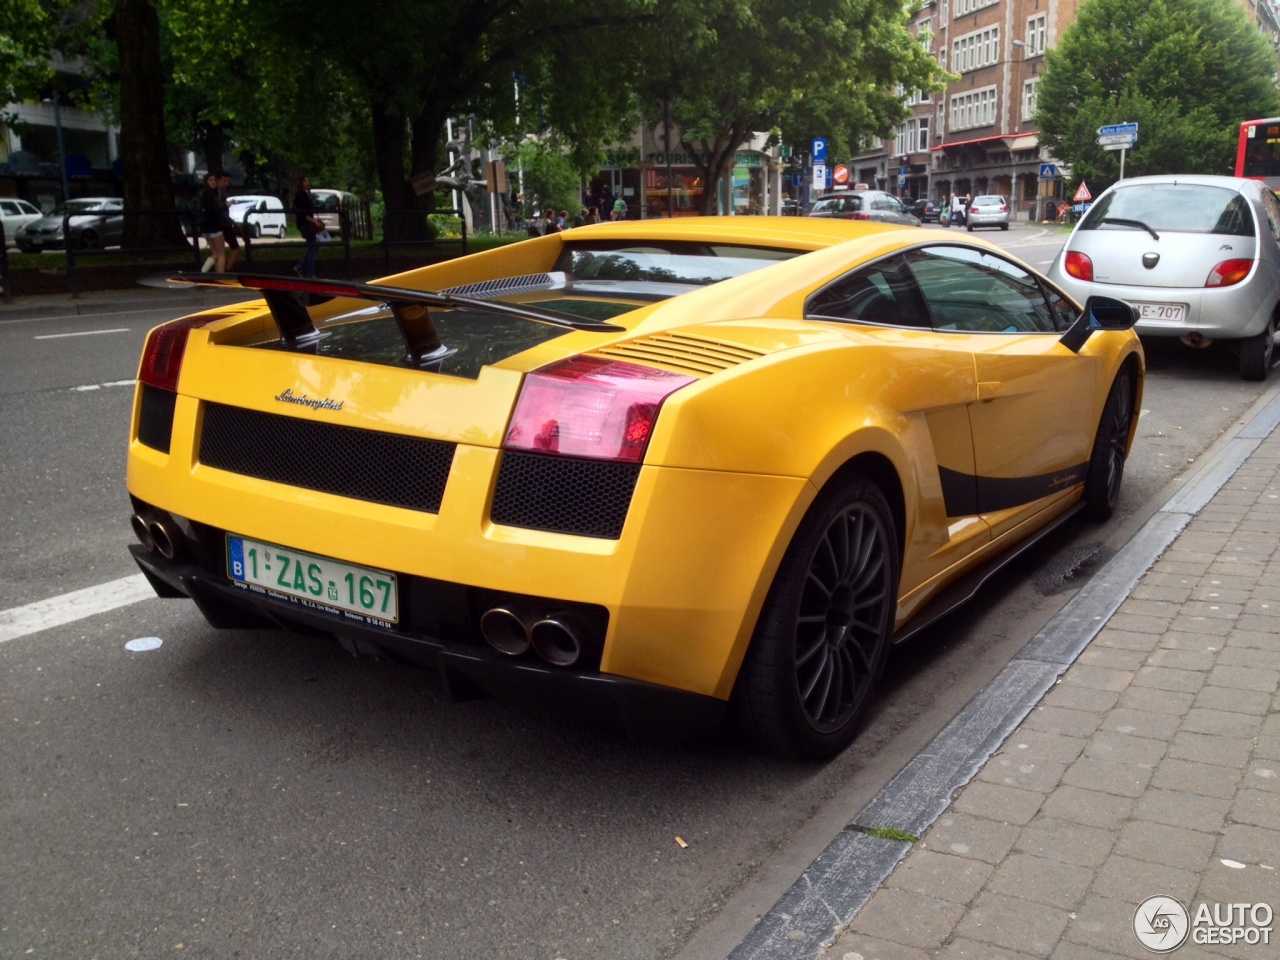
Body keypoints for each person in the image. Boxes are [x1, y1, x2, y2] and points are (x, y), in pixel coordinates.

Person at [292, 173, 323, 277]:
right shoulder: (300, 195)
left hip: (307, 223)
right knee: (313, 247)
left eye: (308, 181)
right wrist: (314, 221)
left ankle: (301, 266)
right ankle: (309, 273)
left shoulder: (305, 194)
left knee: (313, 247)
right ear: (301, 182)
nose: (307, 183)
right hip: (305, 224)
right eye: (305, 181)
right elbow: (303, 213)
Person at [197, 172, 227, 273]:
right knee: (221, 254)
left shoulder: (203, 194)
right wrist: (227, 205)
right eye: (210, 180)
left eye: (214, 179)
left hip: (205, 227)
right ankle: (218, 277)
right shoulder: (209, 195)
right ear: (206, 182)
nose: (213, 182)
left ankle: (203, 272)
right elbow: (215, 211)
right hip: (214, 227)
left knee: (215, 253)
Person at [217, 172, 240, 272]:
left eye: (228, 181)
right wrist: (233, 222)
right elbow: (221, 212)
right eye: (224, 181)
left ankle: (218, 271)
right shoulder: (219, 195)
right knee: (234, 248)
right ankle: (226, 270)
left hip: (215, 225)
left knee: (218, 252)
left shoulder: (216, 193)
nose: (227, 183)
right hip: (223, 225)